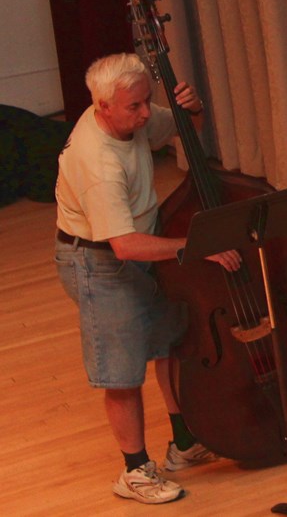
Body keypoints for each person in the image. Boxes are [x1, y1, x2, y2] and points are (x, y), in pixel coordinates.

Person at [54, 53, 241, 505]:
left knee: (169, 341)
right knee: (122, 373)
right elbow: (124, 246)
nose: (145, 114)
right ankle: (135, 472)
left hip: (141, 241)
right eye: (135, 107)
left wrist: (192, 110)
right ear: (103, 107)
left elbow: (184, 131)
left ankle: (184, 444)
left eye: (146, 102)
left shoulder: (128, 114)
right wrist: (193, 246)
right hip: (99, 262)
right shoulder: (97, 163)